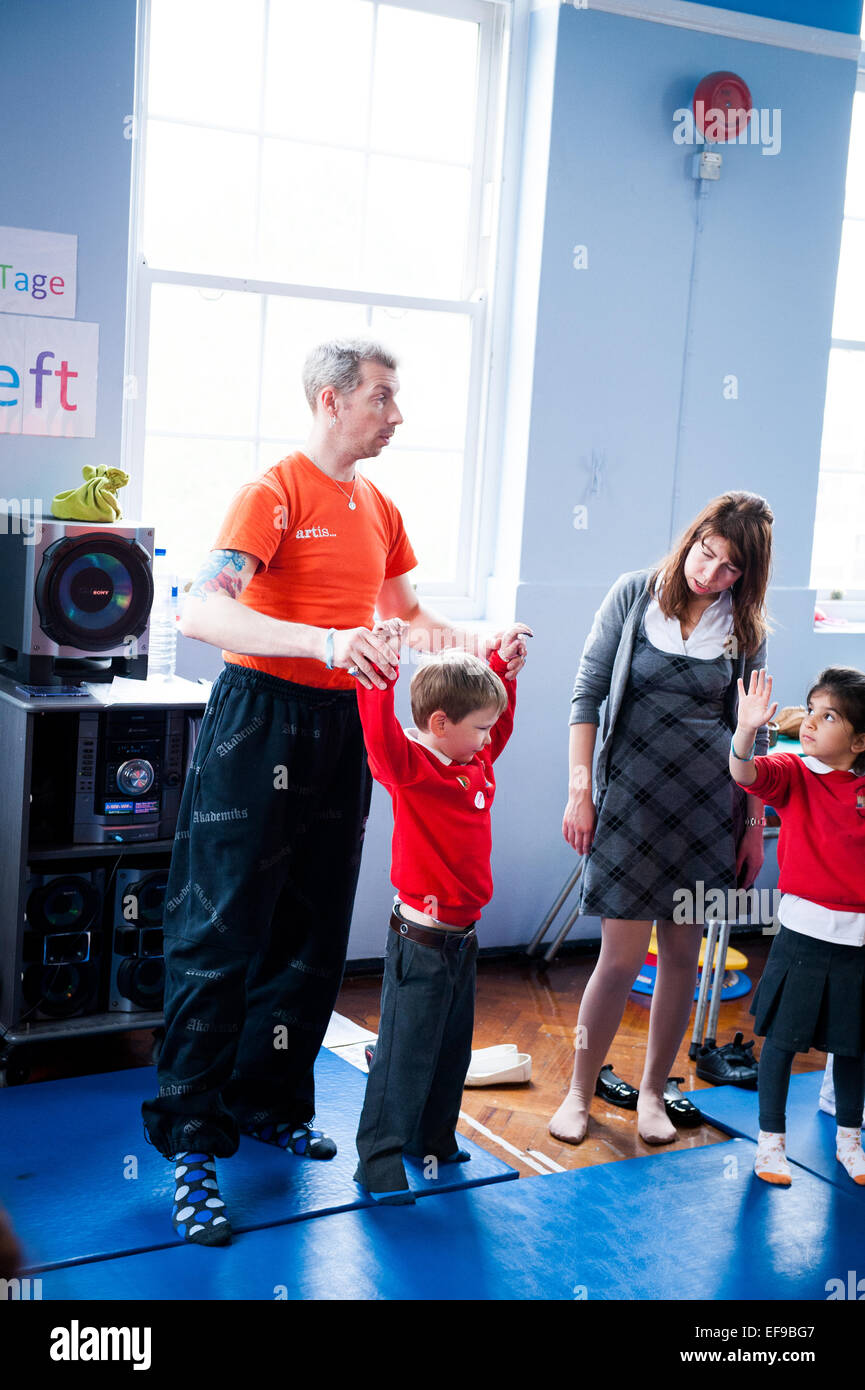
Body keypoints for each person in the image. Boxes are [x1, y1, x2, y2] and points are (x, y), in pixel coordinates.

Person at [141, 339, 524, 1246]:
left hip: (340, 726)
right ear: (331, 399)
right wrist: (320, 642)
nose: (396, 415)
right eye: (382, 398)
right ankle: (194, 1143)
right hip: (258, 718)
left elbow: (409, 620)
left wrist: (483, 640)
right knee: (221, 928)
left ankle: (266, 1098)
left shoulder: (379, 506)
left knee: (311, 929)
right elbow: (198, 609)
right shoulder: (273, 492)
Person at [550, 492, 774, 1147]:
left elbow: (752, 736)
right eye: (706, 554)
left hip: (709, 811)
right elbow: (585, 695)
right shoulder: (631, 595)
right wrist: (578, 792)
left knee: (682, 956)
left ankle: (652, 1091)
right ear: (690, 540)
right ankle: (576, 1091)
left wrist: (753, 826)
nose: (710, 573)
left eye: (730, 568)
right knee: (617, 961)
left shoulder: (745, 630)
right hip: (627, 805)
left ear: (746, 576)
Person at [351, 620, 531, 1201]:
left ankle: (431, 1140)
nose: (488, 738)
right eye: (477, 728)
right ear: (439, 724)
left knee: (451, 1051)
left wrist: (503, 666)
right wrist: (377, 672)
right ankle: (377, 1159)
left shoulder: (472, 761)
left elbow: (496, 722)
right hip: (421, 944)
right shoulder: (411, 769)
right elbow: (378, 738)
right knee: (405, 1054)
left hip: (463, 940)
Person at [730, 666, 865, 1186]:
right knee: (782, 1044)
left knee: (853, 1048)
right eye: (811, 710)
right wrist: (746, 730)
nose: (810, 722)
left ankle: (849, 1140)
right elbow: (744, 774)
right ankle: (771, 1144)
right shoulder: (794, 772)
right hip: (803, 939)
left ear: (858, 740)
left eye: (827, 716)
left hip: (857, 943)